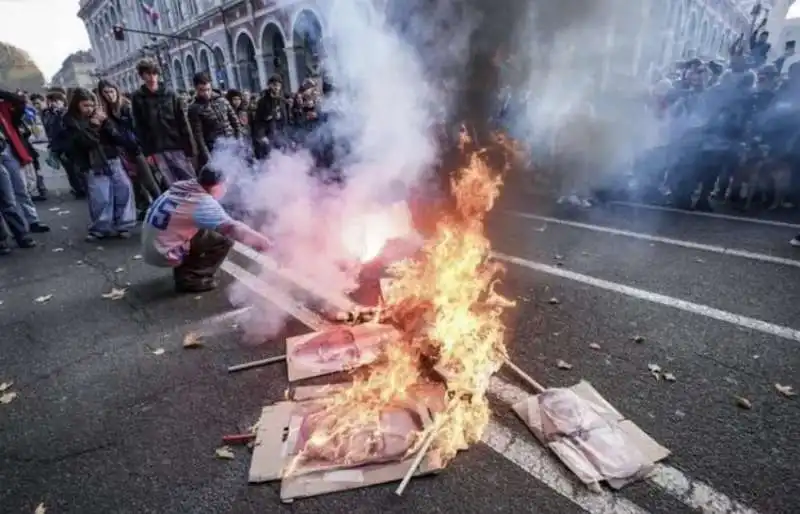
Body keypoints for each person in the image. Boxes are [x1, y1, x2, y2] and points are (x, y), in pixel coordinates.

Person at [140, 164, 272, 293]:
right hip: (164, 252)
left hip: (152, 245)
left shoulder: (185, 187)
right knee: (223, 238)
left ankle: (185, 268)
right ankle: (192, 279)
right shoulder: (202, 203)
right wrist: (266, 244)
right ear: (217, 185)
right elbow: (233, 228)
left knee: (207, 230)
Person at [62, 88, 138, 241]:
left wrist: (106, 124)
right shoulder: (71, 121)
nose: (89, 109)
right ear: (77, 105)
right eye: (85, 105)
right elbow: (85, 142)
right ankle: (101, 227)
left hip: (112, 156)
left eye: (91, 105)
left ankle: (124, 224)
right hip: (92, 161)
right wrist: (94, 125)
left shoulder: (100, 116)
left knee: (123, 189)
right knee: (101, 196)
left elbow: (116, 137)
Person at [98, 78, 162, 218]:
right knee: (134, 182)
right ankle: (144, 207)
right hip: (122, 150)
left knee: (148, 180)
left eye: (111, 91)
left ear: (116, 90)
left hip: (135, 148)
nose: (110, 95)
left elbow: (135, 130)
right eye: (105, 92)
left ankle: (161, 207)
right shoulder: (107, 111)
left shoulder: (126, 107)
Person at [131, 59, 196, 186]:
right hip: (156, 148)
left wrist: (189, 148)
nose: (152, 77)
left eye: (154, 73)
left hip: (176, 145)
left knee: (190, 181)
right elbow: (139, 127)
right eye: (148, 74)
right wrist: (147, 152)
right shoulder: (138, 97)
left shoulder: (170, 93)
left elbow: (182, 121)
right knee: (171, 185)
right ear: (142, 76)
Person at [0, 89, 49, 233]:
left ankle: (32, 221)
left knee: (20, 188)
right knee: (7, 196)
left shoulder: (4, 108)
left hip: (8, 149)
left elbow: (20, 101)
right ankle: (16, 229)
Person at [187, 72, 241, 168]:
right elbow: (199, 137)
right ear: (196, 89)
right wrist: (208, 158)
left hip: (231, 142)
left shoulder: (222, 100)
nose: (206, 93)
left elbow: (235, 121)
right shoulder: (194, 109)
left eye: (208, 89)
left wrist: (239, 139)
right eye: (202, 90)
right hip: (215, 149)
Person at [41, 90, 87, 198]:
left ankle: (83, 188)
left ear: (63, 101)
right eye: (51, 102)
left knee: (78, 170)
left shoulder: (67, 114)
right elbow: (51, 131)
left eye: (56, 101)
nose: (54, 104)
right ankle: (78, 189)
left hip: (71, 146)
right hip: (60, 147)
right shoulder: (50, 115)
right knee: (70, 171)